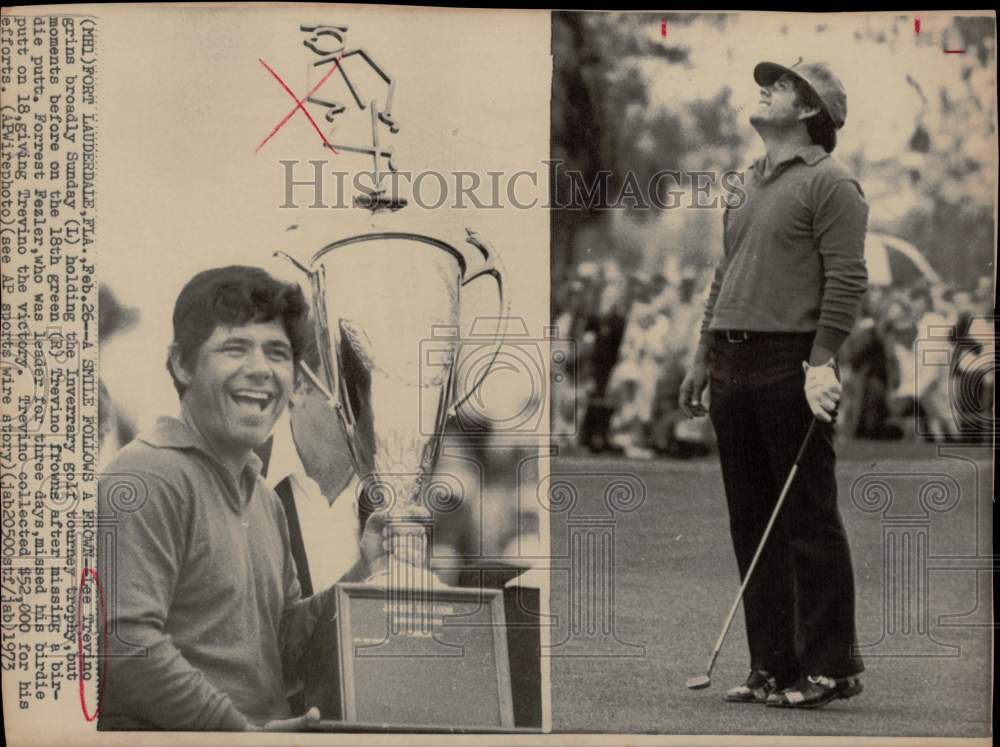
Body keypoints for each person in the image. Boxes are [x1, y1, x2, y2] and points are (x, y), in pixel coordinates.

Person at [679, 59, 868, 708]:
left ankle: (831, 665)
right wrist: (701, 352)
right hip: (730, 359)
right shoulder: (746, 183)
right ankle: (774, 665)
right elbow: (723, 276)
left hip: (791, 361)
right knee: (751, 519)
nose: (766, 88)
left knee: (806, 518)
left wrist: (821, 360)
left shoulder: (832, 184)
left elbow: (847, 279)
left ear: (811, 109)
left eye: (782, 85)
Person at [98, 265, 337, 731]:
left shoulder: (266, 500)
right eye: (235, 348)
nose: (260, 370)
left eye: (277, 353)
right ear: (181, 364)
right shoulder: (146, 475)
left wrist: (361, 574)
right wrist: (240, 736)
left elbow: (281, 651)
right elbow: (125, 644)